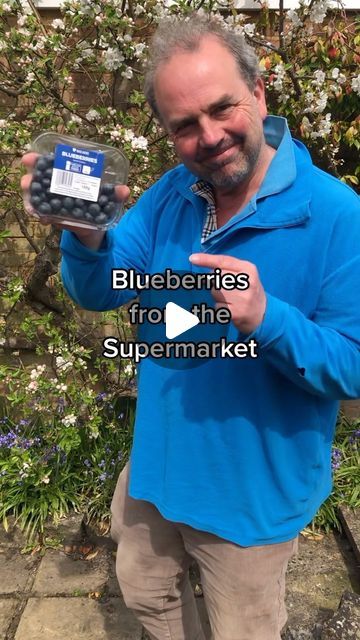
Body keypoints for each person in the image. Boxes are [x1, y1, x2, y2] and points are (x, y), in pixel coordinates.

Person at [21, 14, 360, 640]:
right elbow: (98, 289)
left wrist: (267, 318)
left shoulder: (338, 215)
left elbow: (351, 364)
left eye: (222, 107)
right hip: (157, 465)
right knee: (147, 595)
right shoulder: (174, 193)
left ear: (259, 93)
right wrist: (87, 233)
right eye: (185, 125)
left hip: (250, 501)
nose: (209, 137)